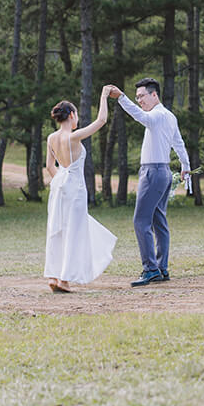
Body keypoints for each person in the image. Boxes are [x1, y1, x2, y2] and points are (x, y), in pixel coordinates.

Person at [111, 77, 190, 287]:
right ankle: (161, 268)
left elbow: (140, 116)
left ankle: (151, 269)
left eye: (141, 96)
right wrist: (185, 165)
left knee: (141, 221)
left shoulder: (156, 115)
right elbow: (179, 143)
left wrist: (121, 98)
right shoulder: (169, 116)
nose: (139, 101)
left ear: (154, 94)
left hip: (153, 173)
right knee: (158, 221)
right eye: (136, 97)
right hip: (163, 171)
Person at [43, 86, 118, 293]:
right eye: (76, 115)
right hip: (74, 189)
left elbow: (49, 166)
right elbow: (101, 121)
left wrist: (61, 181)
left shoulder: (51, 138)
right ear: (72, 115)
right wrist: (104, 95)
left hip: (59, 187)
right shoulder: (73, 137)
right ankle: (64, 279)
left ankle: (53, 275)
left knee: (57, 230)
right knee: (73, 231)